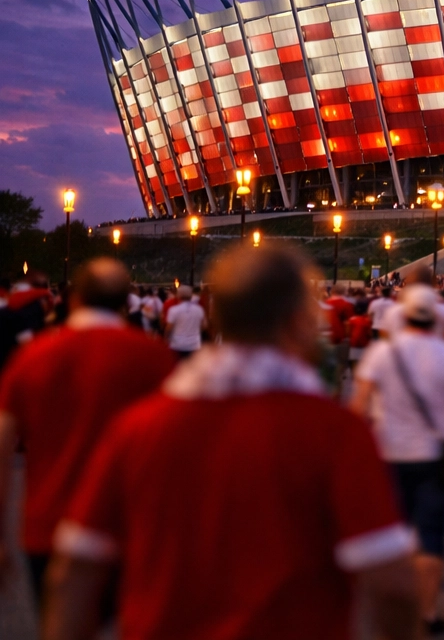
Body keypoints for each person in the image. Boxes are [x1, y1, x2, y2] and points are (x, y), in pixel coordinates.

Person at [45, 241, 419, 640]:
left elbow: (75, 568)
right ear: (297, 320)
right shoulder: (333, 433)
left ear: (215, 315)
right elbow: (391, 584)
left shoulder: (137, 427)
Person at [0, 260, 176, 615]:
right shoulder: (153, 358)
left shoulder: (33, 357)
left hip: (50, 522)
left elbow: (3, 447)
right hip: (128, 526)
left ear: (74, 299)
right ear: (126, 302)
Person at [352, 284, 444, 636]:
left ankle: (395, 610)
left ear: (404, 315)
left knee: (394, 533)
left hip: (388, 452)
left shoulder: (382, 354)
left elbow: (359, 404)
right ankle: (427, 612)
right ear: (436, 318)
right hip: (434, 455)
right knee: (433, 535)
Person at [163, 285, 205, 359]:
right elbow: (204, 325)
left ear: (178, 296)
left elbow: (169, 327)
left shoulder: (174, 310)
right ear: (191, 295)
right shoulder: (199, 309)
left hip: (177, 344)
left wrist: (166, 338)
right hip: (194, 344)